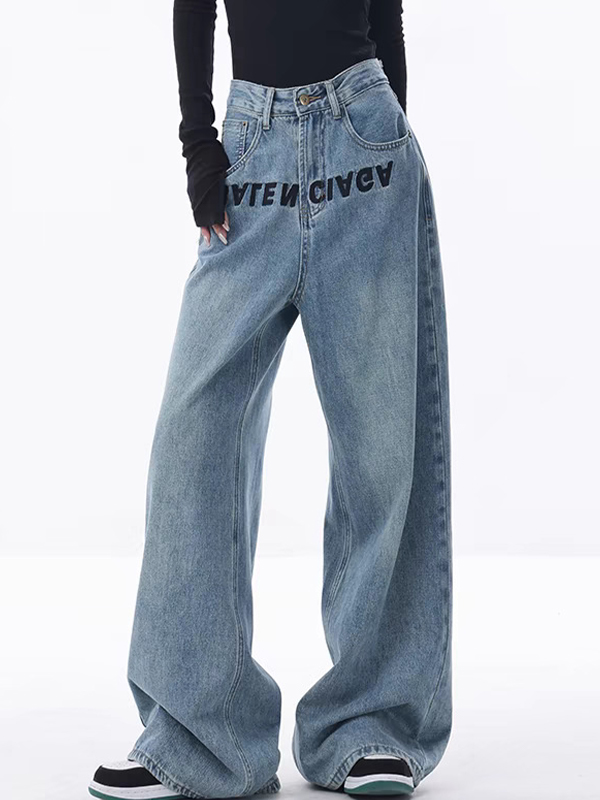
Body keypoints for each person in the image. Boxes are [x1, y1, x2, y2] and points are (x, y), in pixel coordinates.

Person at [88, 1, 453, 798]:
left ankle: (373, 725)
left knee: (383, 445)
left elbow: (384, 9)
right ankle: (199, 737)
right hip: (251, 147)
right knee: (194, 434)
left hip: (366, 139)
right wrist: (199, 144)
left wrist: (388, 134)